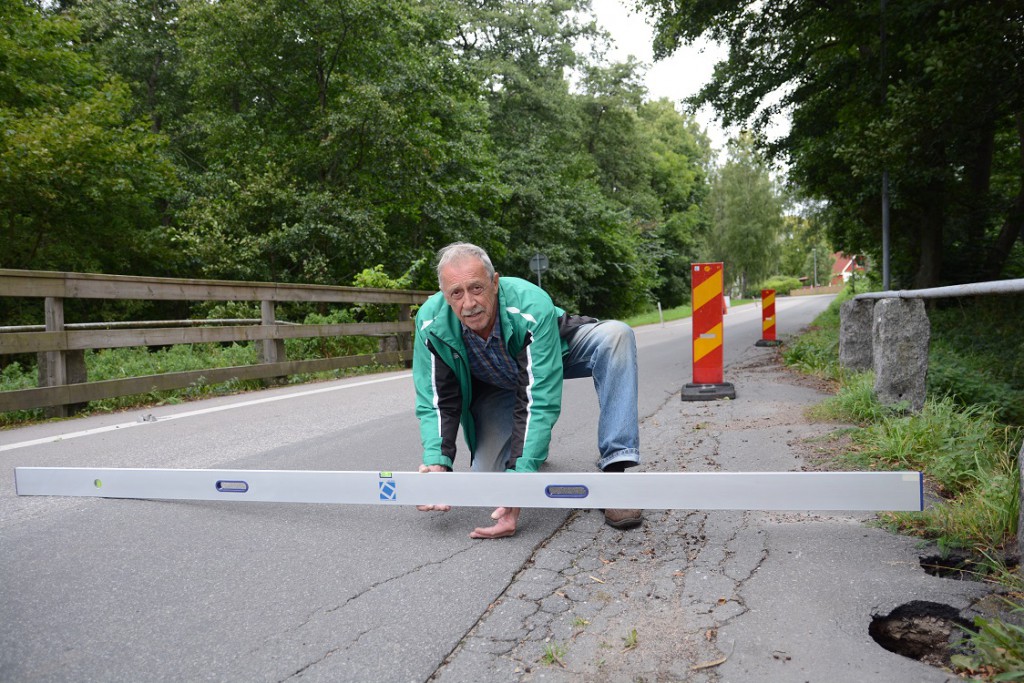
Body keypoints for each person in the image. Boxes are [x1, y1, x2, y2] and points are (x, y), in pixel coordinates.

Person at [412, 242, 643, 539]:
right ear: (444, 296)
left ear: (495, 283)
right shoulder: (430, 324)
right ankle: (531, 448)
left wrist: (521, 478)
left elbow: (539, 397)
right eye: (457, 293)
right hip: (496, 384)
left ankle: (615, 475)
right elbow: (435, 399)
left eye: (477, 288)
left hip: (555, 354)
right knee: (488, 482)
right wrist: (437, 462)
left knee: (616, 337)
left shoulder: (530, 303)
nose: (469, 303)